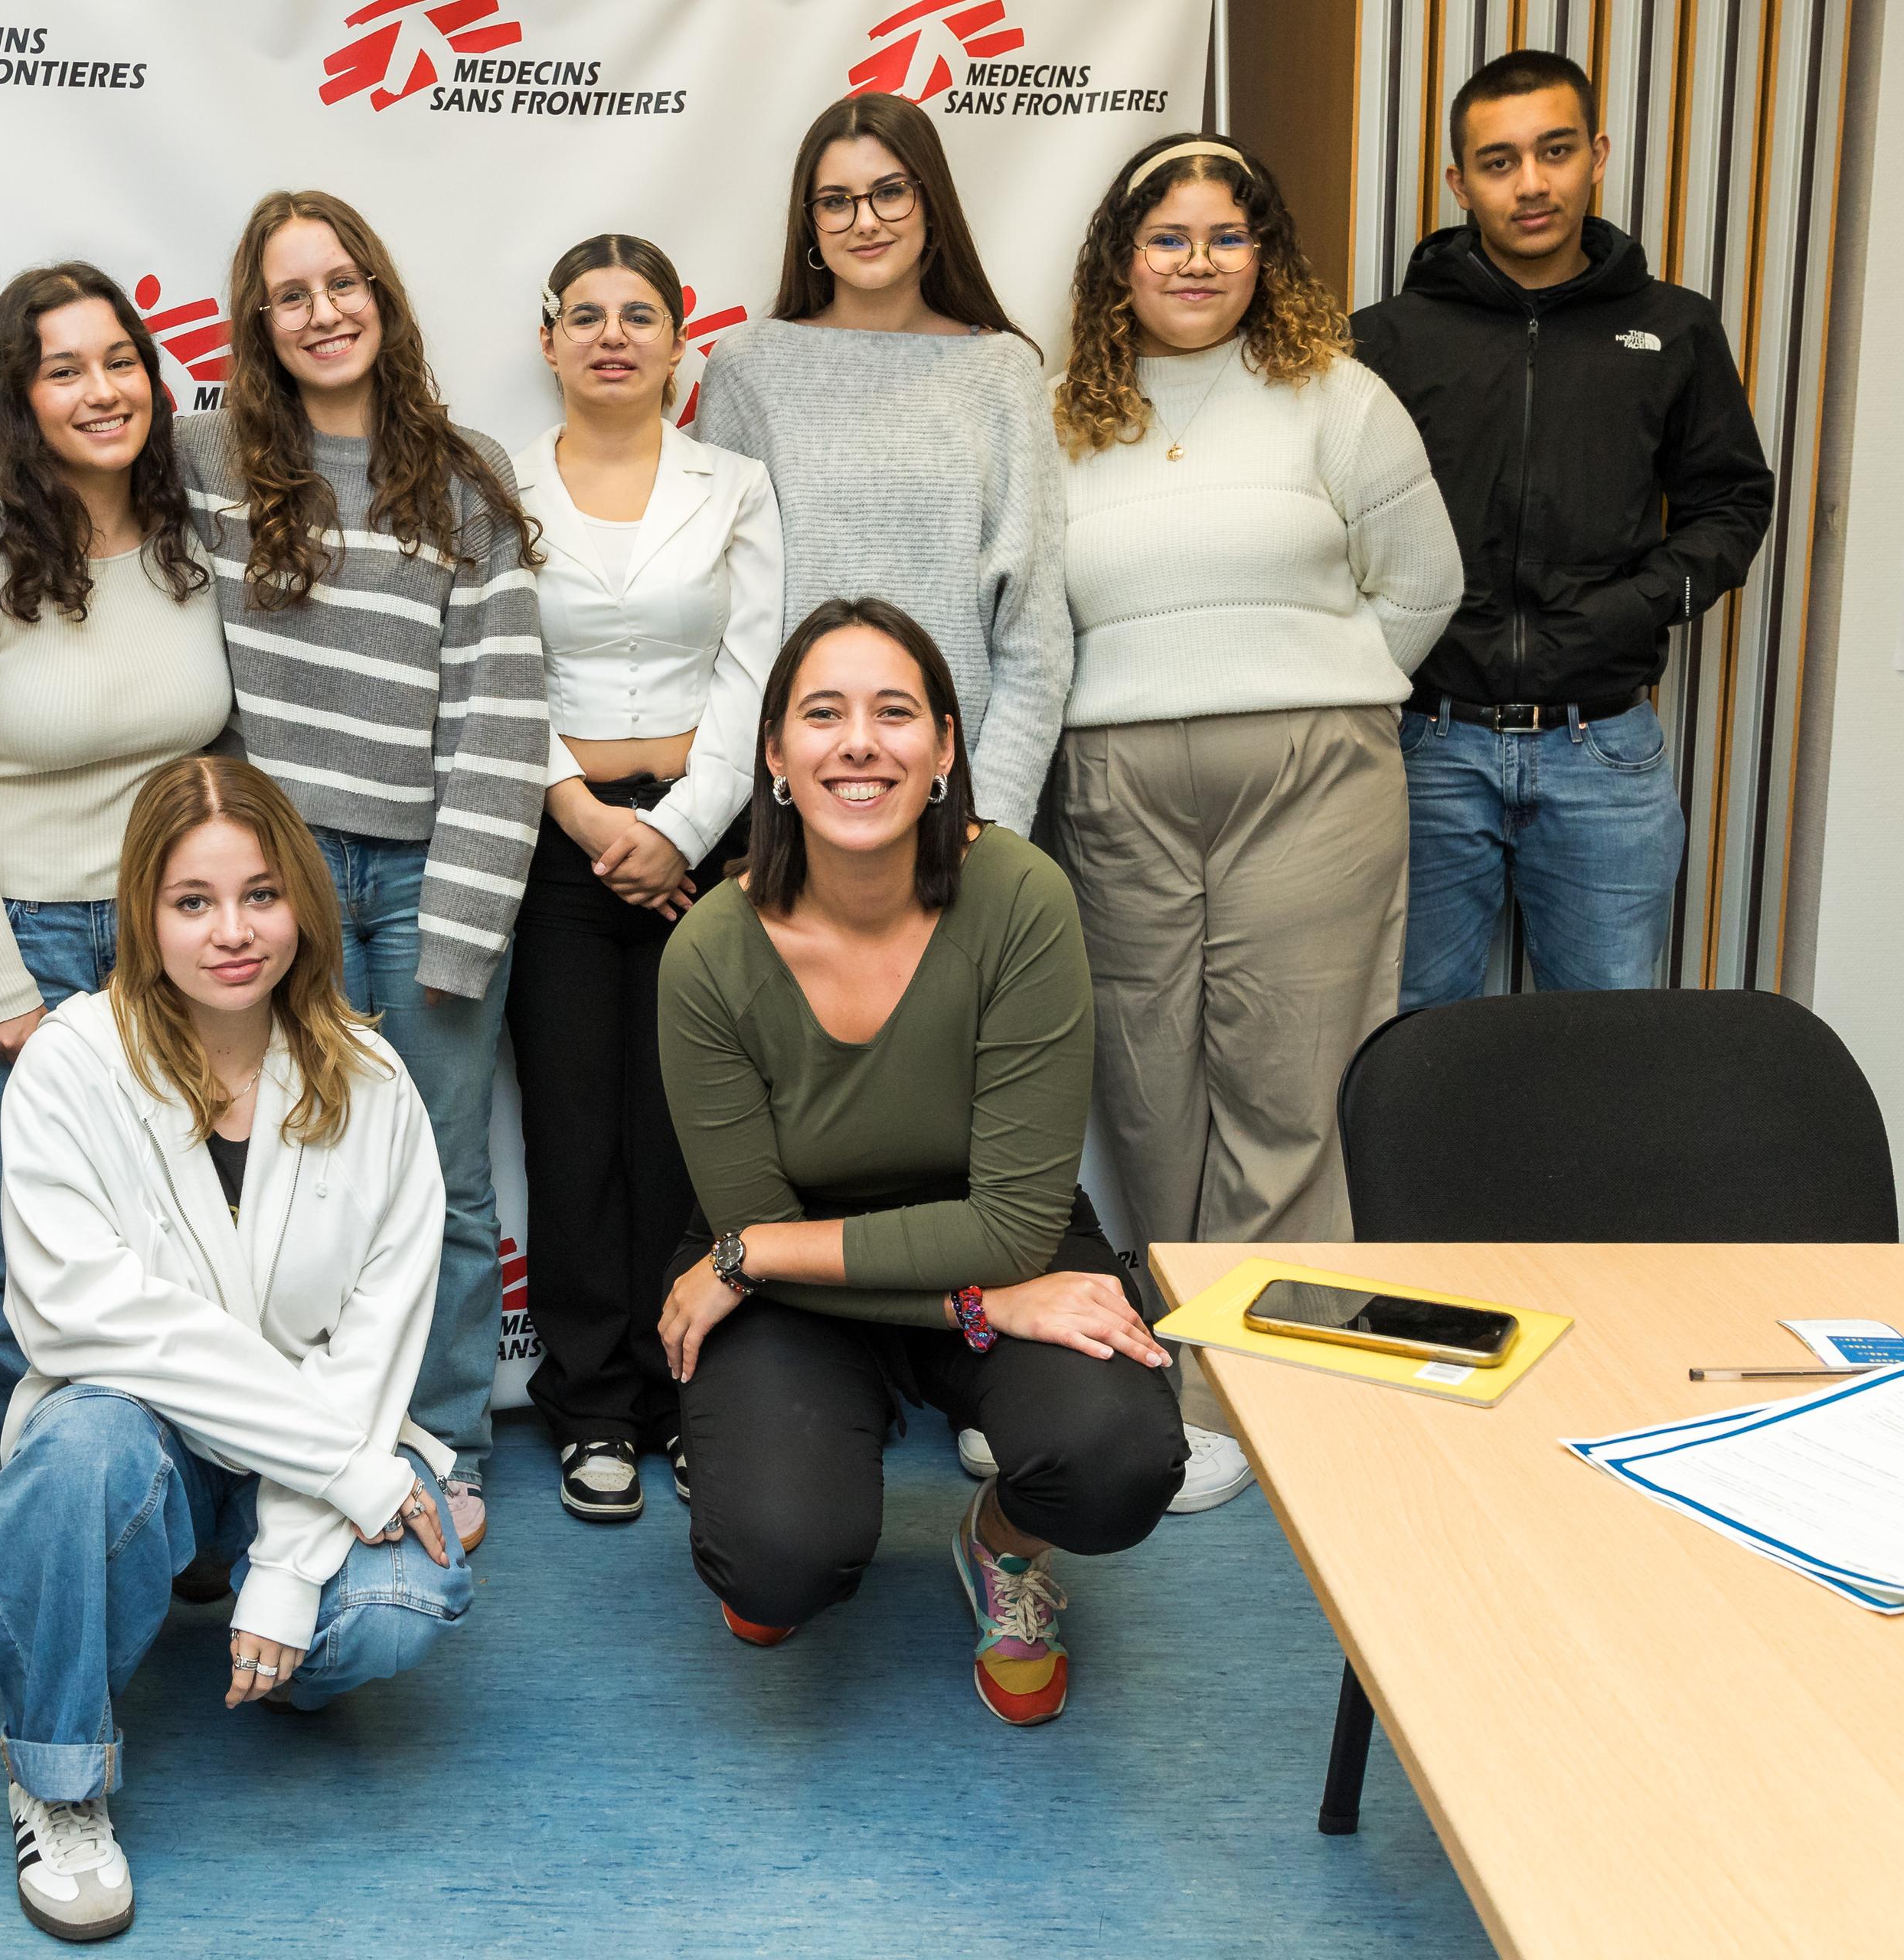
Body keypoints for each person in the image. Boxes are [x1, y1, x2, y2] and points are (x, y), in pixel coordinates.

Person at [0, 192, 547, 1550]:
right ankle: (205, 1476)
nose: (322, 312)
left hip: (432, 872)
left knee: (442, 1175)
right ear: (254, 323)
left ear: (383, 292)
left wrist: (465, 929)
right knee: (252, 1190)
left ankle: (435, 1449)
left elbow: (504, 713)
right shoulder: (210, 456)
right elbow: (42, 436)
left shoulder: (471, 473)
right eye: (288, 292)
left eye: (343, 282)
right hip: (273, 889)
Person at [657, 598, 1186, 1726]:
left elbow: (1007, 1224)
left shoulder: (1023, 900)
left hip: (969, 1241)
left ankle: (1002, 1547)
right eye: (823, 714)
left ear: (945, 748)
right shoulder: (708, 948)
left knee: (1118, 1459)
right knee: (778, 1561)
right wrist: (990, 1303)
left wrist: (746, 1258)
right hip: (809, 1283)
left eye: (895, 712)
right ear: (775, 754)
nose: (860, 741)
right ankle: (801, 1507)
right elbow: (755, 1217)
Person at [0, 756, 474, 1941]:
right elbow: (91, 1320)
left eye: (261, 895)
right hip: (138, 1430)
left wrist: (292, 1570)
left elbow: (373, 1355)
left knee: (407, 1598)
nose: (232, 932)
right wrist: (360, 1477)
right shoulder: (71, 1063)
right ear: (142, 917)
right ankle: (57, 1778)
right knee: (81, 1451)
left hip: (302, 1453)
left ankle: (267, 1638)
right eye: (192, 902)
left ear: (303, 902)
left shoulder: (376, 1083)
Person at [1047, 135, 1461, 1511]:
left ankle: (1262, 1400)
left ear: (1265, 256)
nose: (1199, 262)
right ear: (1121, 258)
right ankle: (1167, 1390)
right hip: (1113, 786)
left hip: (1312, 777)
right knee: (1151, 1087)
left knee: (1290, 1086)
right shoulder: (1058, 418)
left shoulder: (1336, 397)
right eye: (1169, 237)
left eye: (1229, 237)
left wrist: (1312, 691)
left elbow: (1422, 589)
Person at [1351, 50, 1773, 1005]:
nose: (1531, 184)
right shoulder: (1385, 340)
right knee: (1411, 1045)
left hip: (1605, 750)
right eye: (1499, 162)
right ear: (1459, 181)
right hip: (1425, 746)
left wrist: (1631, 612)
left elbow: (1733, 503)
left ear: (1599, 155)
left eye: (1555, 151)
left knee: (1608, 1047)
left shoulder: (1674, 330)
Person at [0, 261, 229, 1417]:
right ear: (19, 399)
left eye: (121, 361)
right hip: (28, 939)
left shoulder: (198, 533)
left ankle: (181, 1478)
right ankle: (45, 1495)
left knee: (185, 1219)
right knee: (38, 1239)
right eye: (64, 370)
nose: (102, 390)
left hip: (175, 935)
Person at [505, 233, 780, 1522]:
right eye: (585, 315)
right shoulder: (496, 484)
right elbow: (495, 668)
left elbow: (756, 670)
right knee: (572, 1133)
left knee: (691, 1130)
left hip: (708, 836)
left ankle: (691, 1394)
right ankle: (594, 1407)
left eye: (640, 316)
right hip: (553, 838)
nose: (612, 336)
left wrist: (680, 827)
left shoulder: (734, 483)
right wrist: (591, 818)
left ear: (681, 342)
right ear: (548, 337)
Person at [692, 90, 1070, 838]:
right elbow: (719, 617)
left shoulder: (1001, 372)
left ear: (933, 206)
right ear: (810, 225)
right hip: (785, 795)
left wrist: (991, 824)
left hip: (951, 802)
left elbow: (1032, 637)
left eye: (890, 192)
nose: (865, 220)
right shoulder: (747, 369)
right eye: (836, 201)